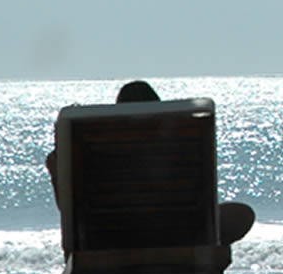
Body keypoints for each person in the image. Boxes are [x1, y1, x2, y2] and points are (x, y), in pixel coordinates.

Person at [45, 80, 254, 254]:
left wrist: (56, 171)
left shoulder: (99, 156)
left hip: (111, 241)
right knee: (243, 213)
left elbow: (68, 211)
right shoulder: (178, 147)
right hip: (176, 238)